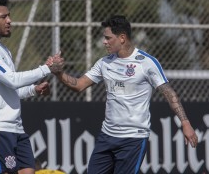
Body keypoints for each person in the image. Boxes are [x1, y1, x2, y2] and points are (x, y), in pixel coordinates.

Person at [51, 15, 198, 174]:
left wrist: (185, 122)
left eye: (108, 38)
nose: (104, 42)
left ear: (122, 38)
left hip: (133, 139)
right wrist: (59, 73)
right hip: (107, 136)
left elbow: (169, 93)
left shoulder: (146, 63)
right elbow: (79, 85)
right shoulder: (104, 63)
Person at [0, 0, 62, 174]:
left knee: (28, 171)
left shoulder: (4, 50)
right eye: (3, 17)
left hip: (15, 127)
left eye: (9, 16)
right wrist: (47, 68)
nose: (9, 21)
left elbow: (10, 89)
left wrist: (33, 89)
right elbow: (12, 79)